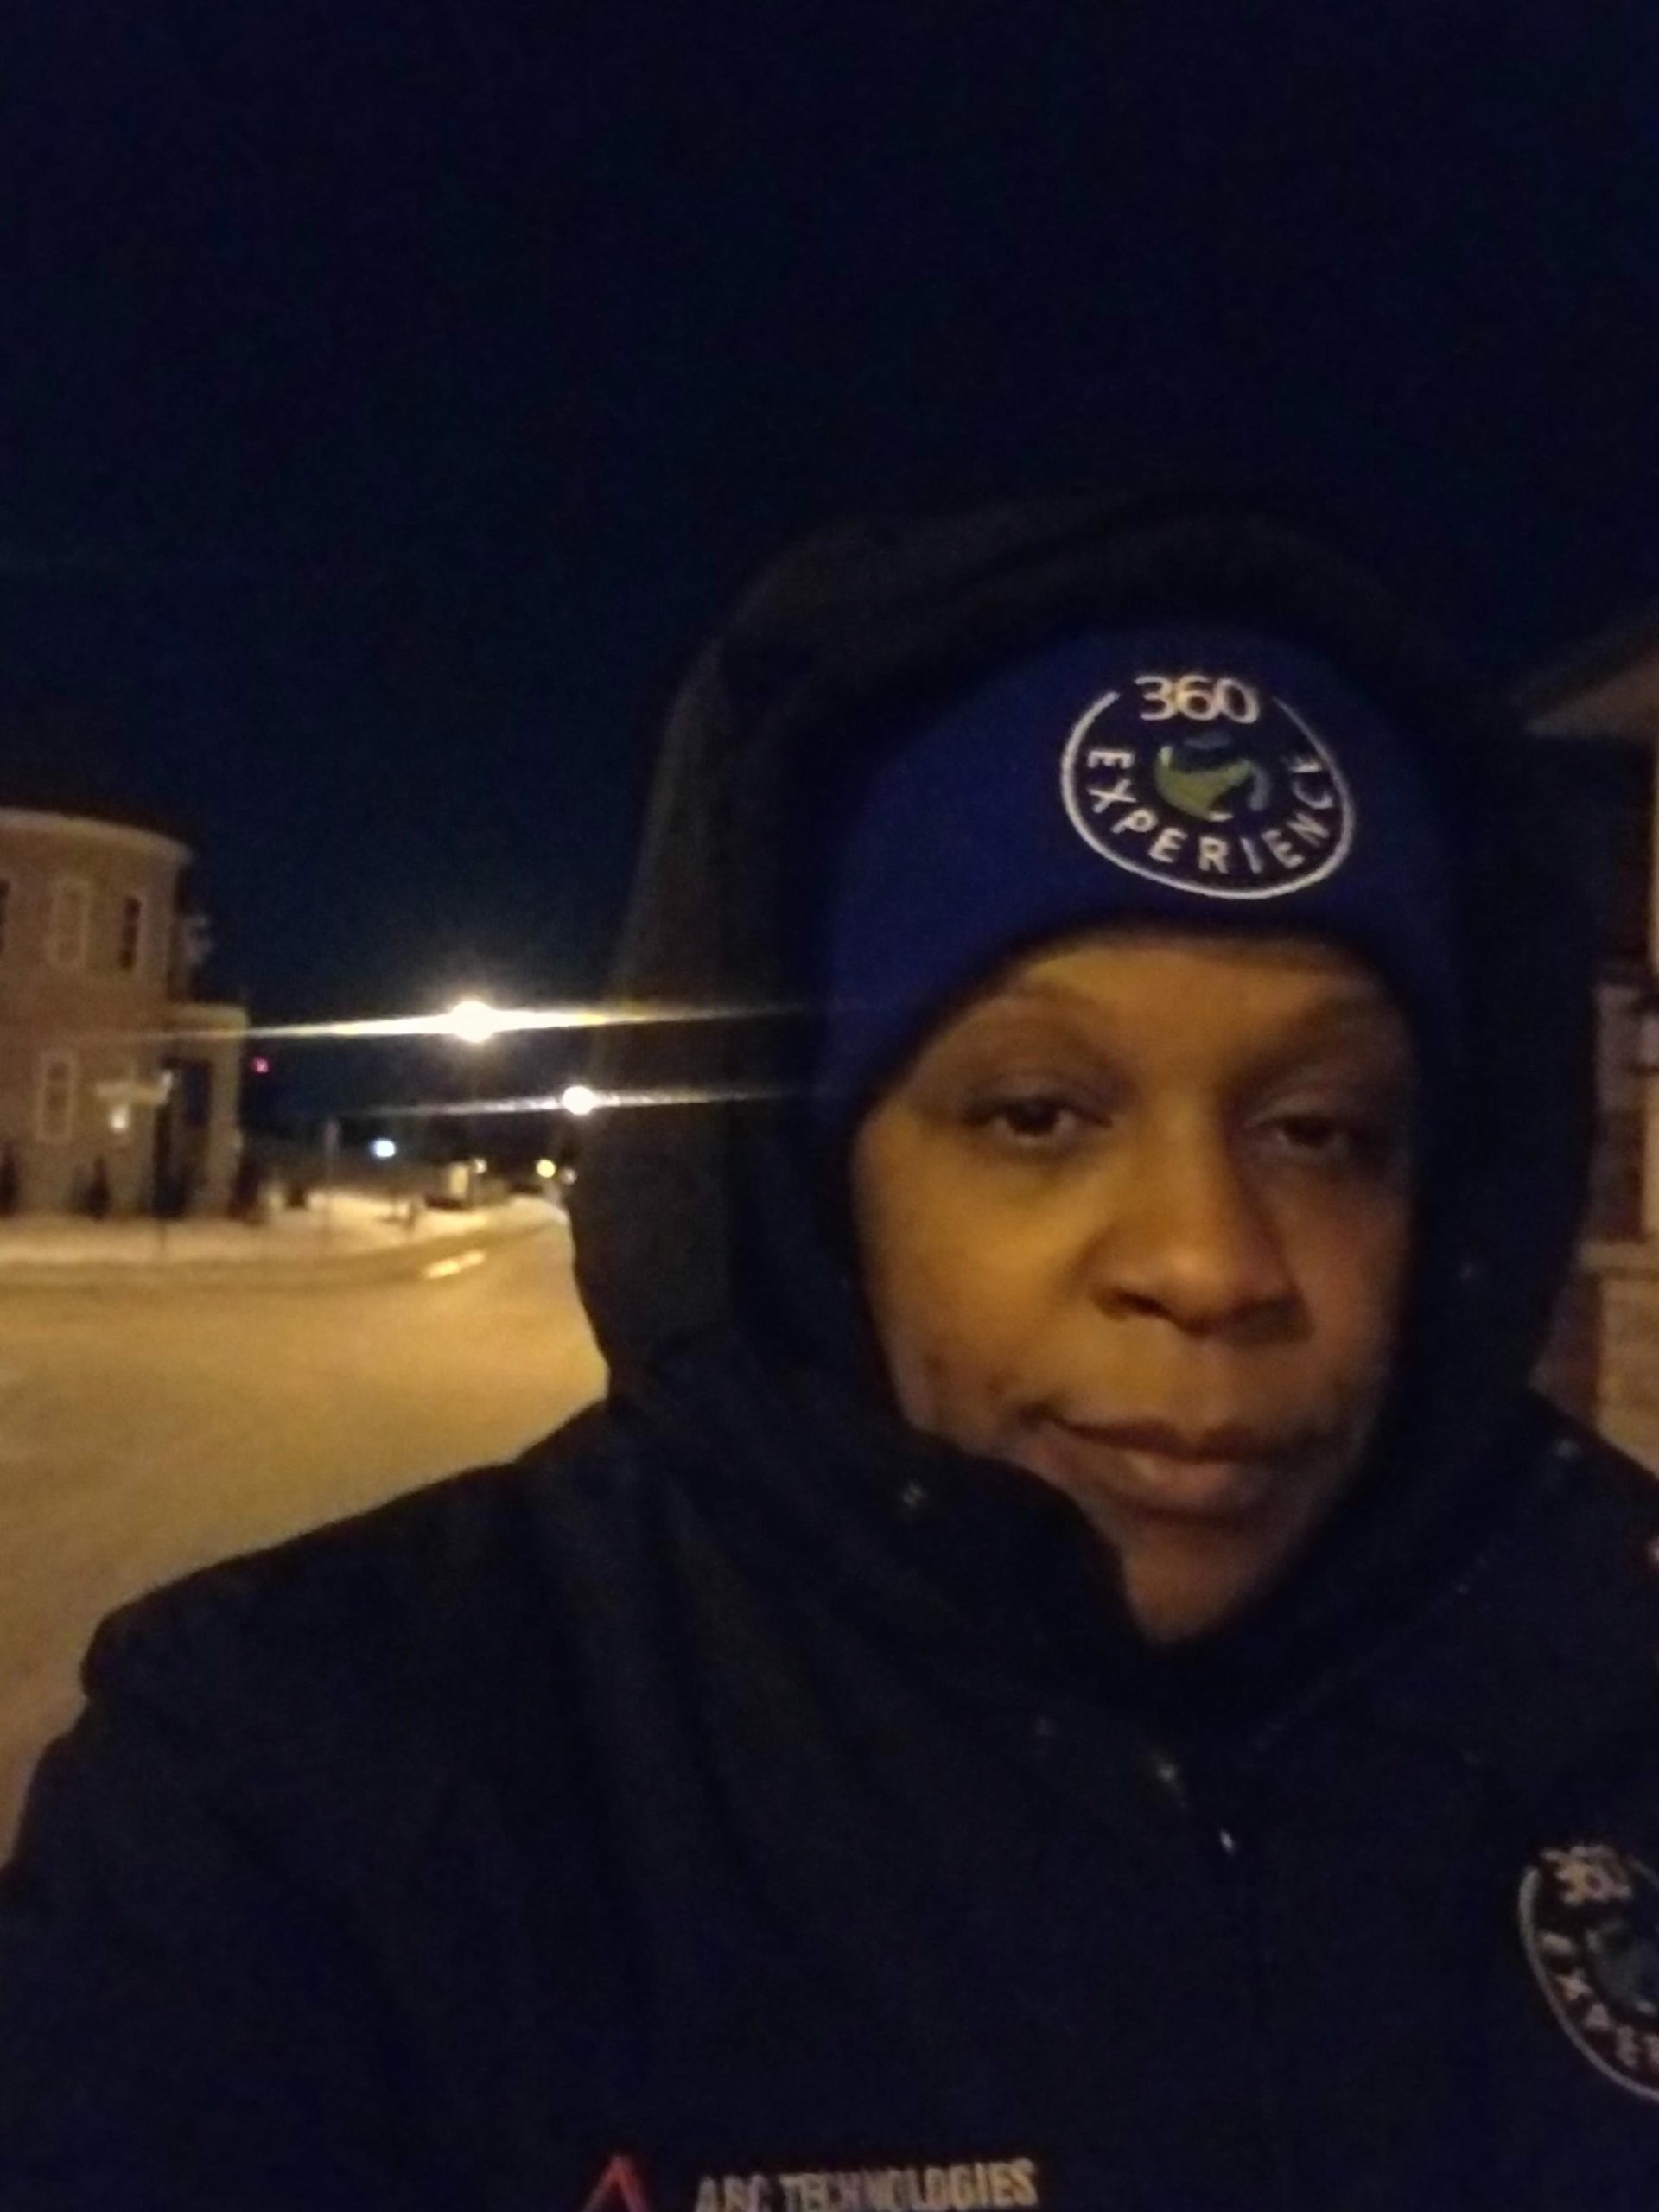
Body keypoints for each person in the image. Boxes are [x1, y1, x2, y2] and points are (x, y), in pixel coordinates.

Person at [2, 493, 1656, 2212]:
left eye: (1322, 1129)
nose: (1210, 1262)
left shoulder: (1608, 1685)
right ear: (815, 1176)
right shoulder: (320, 1798)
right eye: (1036, 1112)